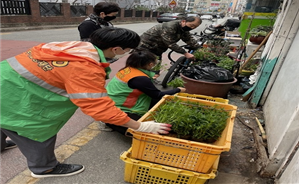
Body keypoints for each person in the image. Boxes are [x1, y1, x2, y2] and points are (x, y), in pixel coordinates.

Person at [0, 27, 172, 178]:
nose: (129, 53)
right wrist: (140, 126)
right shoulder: (85, 68)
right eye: (128, 50)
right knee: (36, 129)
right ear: (117, 49)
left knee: (2, 119)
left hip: (5, 80)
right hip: (14, 96)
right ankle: (44, 168)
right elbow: (99, 107)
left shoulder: (72, 46)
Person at [105, 49, 186, 135]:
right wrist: (179, 90)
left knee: (164, 104)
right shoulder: (140, 79)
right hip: (120, 109)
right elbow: (157, 94)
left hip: (113, 102)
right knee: (149, 131)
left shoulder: (127, 69)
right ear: (150, 64)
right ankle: (109, 122)